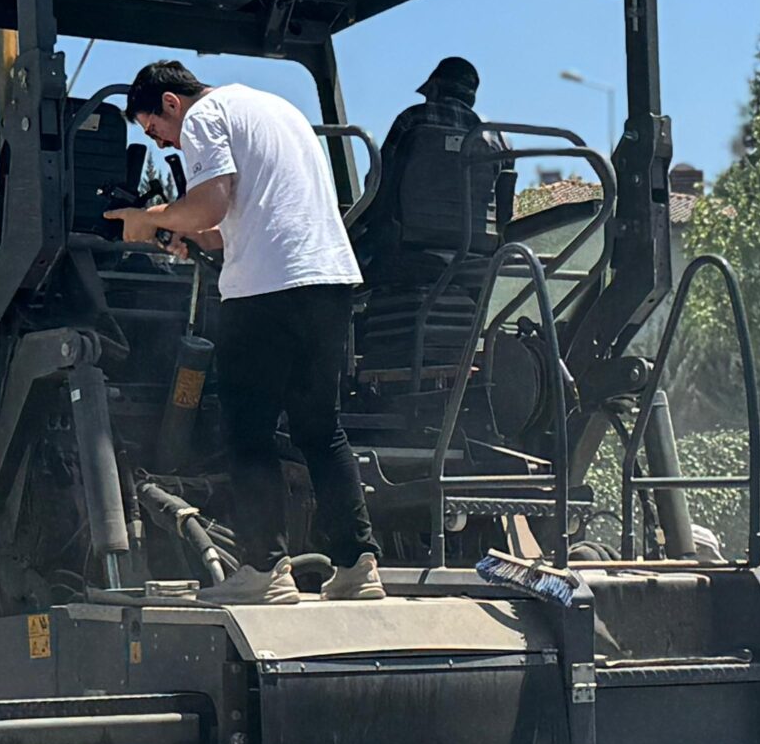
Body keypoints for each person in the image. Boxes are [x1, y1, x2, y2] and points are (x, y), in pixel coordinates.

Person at [107, 60, 384, 604]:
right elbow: (231, 221)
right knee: (319, 428)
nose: (161, 143)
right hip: (327, 281)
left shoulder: (204, 115)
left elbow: (208, 202)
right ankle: (358, 566)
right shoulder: (276, 110)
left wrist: (150, 218)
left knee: (247, 430)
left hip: (266, 290)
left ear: (170, 102)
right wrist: (187, 232)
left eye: (155, 129)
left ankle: (263, 571)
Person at [358, 55, 493, 283]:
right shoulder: (490, 137)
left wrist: (360, 225)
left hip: (402, 245)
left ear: (434, 89)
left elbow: (379, 181)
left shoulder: (413, 119)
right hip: (475, 250)